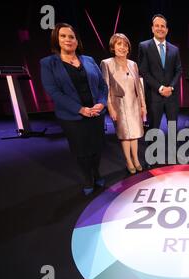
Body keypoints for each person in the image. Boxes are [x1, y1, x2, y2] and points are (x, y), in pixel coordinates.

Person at [40, 23, 108, 196]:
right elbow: (53, 91)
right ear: (57, 39)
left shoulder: (89, 60)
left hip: (96, 113)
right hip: (72, 117)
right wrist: (80, 109)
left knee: (97, 147)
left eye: (71, 37)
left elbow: (102, 86)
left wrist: (102, 103)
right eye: (63, 36)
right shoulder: (48, 63)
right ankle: (87, 177)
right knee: (81, 150)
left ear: (77, 41)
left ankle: (97, 172)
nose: (68, 40)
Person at [101, 33, 147, 175]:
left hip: (134, 103)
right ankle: (128, 160)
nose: (122, 47)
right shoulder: (106, 63)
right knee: (125, 134)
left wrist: (143, 105)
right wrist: (110, 108)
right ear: (113, 47)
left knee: (135, 133)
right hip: (119, 105)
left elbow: (139, 87)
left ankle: (136, 159)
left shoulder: (133, 64)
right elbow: (105, 88)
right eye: (119, 44)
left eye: (125, 44)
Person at [138, 14, 182, 131]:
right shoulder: (144, 46)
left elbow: (178, 70)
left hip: (171, 97)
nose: (160, 28)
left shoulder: (174, 49)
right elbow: (144, 71)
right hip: (153, 96)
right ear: (152, 28)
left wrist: (171, 88)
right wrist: (161, 88)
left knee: (173, 129)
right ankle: (153, 150)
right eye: (157, 26)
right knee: (153, 130)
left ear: (167, 30)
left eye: (163, 26)